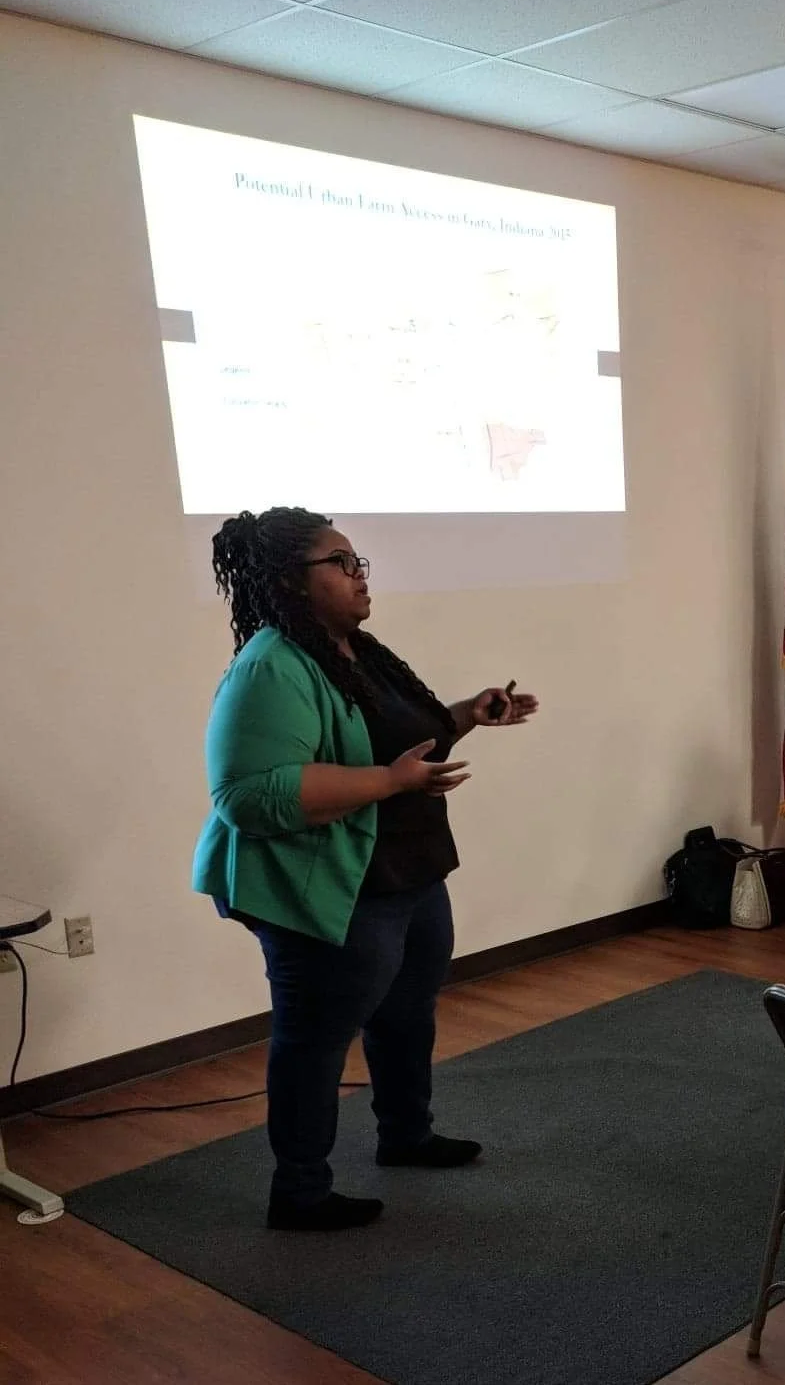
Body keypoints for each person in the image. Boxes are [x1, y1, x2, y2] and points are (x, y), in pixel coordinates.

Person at [191, 507, 540, 1232]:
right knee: (314, 1043)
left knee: (407, 1016)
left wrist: (468, 714)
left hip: (408, 872)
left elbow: (394, 738)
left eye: (359, 563)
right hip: (326, 887)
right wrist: (390, 784)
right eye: (341, 564)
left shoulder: (354, 649)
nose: (359, 576)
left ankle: (406, 1137)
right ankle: (300, 1191)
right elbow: (249, 797)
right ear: (291, 579)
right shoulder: (270, 666)